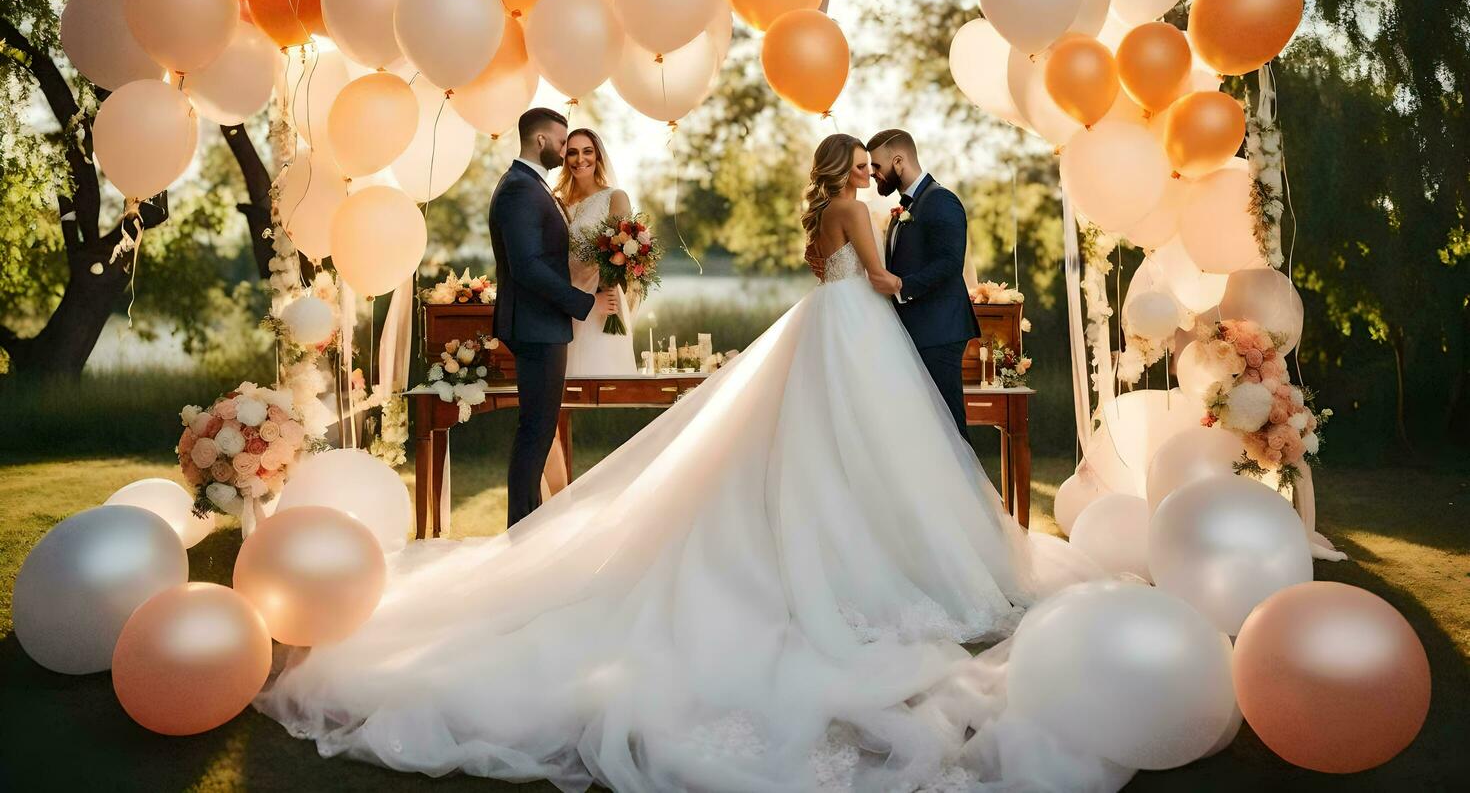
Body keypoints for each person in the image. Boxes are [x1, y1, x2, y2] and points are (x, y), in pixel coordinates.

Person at [256, 134, 1115, 792]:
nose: (868, 169)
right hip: (861, 327)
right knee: (883, 448)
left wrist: (869, 261)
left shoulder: (824, 218)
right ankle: (889, 558)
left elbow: (822, 269)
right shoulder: (862, 212)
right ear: (849, 171)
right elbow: (883, 284)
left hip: (824, 322)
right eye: (861, 161)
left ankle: (853, 543)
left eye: (868, 162)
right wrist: (909, 277)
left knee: (830, 446)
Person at [486, 108, 616, 528]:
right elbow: (527, 267)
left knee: (538, 430)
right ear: (540, 141)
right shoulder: (520, 190)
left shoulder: (530, 186)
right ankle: (521, 532)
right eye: (562, 144)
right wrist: (584, 303)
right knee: (535, 431)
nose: (566, 153)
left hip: (540, 324)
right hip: (536, 327)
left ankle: (526, 526)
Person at [539, 127, 638, 502]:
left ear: (598, 155)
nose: (580, 159)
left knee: (606, 393)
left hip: (603, 306)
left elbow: (625, 254)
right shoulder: (557, 201)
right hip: (565, 306)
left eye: (588, 152)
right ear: (563, 158)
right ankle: (561, 494)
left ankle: (618, 491)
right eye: (572, 153)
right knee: (558, 400)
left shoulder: (615, 197)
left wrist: (608, 282)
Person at [867, 127, 981, 441]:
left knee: (949, 428)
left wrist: (901, 285)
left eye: (877, 166)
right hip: (918, 332)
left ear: (899, 162)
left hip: (939, 333)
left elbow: (949, 263)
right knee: (925, 431)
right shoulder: (908, 205)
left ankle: (966, 491)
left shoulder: (940, 200)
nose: (874, 174)